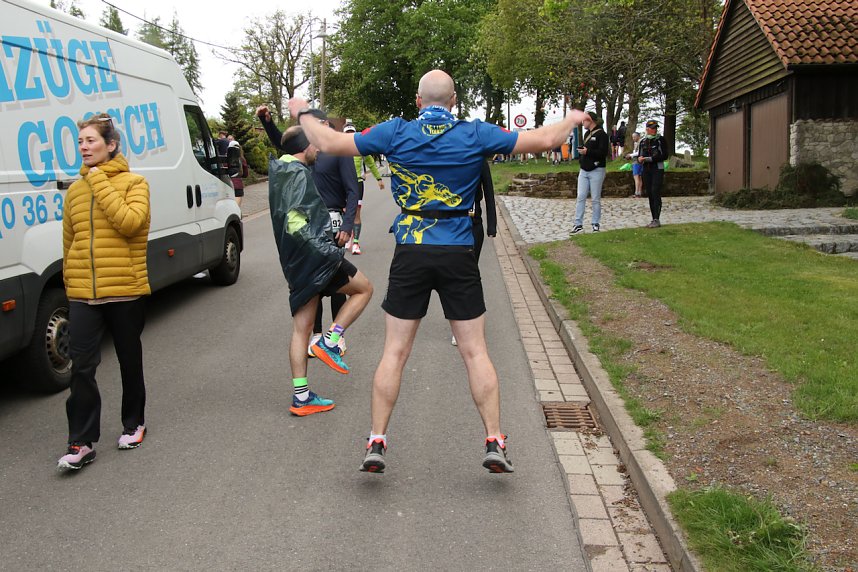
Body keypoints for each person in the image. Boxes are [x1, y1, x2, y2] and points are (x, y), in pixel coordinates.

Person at [289, 69, 588, 474]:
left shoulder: (394, 132)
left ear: (417, 101)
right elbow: (548, 140)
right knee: (475, 351)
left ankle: (376, 441)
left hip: (411, 249)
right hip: (458, 250)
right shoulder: (475, 133)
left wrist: (304, 111)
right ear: (454, 101)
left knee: (394, 352)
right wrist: (571, 118)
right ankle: (495, 441)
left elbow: (326, 141)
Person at [57, 114, 151, 470]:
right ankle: (80, 442)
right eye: (80, 142)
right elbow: (70, 241)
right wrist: (70, 281)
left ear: (111, 145)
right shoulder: (75, 191)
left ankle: (134, 423)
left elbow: (130, 224)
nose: (84, 147)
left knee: (129, 360)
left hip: (124, 291)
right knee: (81, 367)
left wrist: (99, 182)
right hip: (84, 294)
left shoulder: (134, 183)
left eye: (91, 141)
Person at [268, 125, 373, 415]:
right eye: (314, 145)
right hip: (315, 258)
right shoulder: (297, 174)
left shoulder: (280, 171)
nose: (318, 149)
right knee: (364, 289)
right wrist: (324, 251)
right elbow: (293, 221)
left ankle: (301, 397)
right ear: (305, 146)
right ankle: (330, 340)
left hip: (295, 263)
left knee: (301, 328)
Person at [256, 105, 360, 357]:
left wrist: (348, 225)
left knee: (336, 279)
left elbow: (353, 189)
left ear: (324, 125)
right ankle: (315, 335)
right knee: (313, 283)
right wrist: (268, 123)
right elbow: (287, 144)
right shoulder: (306, 153)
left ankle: (335, 337)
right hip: (307, 221)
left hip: (332, 220)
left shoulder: (338, 150)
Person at [451, 159, 496, 347]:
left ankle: (471, 321)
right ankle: (457, 325)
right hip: (452, 225)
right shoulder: (451, 158)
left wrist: (491, 224)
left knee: (470, 275)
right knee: (454, 276)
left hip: (474, 223)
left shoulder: (479, 160)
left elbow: (489, 192)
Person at [343, 122, 385, 255]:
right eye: (347, 134)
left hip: (357, 183)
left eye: (352, 133)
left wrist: (379, 179)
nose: (349, 136)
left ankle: (355, 242)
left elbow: (371, 163)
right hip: (343, 185)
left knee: (356, 213)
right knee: (344, 212)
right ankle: (347, 236)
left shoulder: (360, 148)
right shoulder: (338, 149)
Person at [570, 111, 609, 234]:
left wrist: (588, 152)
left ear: (590, 120)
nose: (583, 123)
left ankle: (595, 223)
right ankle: (578, 224)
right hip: (584, 169)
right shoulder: (587, 134)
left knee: (595, 198)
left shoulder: (602, 134)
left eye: (584, 120)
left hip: (597, 169)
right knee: (580, 196)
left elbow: (603, 153)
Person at [638, 119, 668, 228]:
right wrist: (640, 159)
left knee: (655, 191)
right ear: (647, 129)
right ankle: (653, 218)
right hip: (646, 170)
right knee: (650, 193)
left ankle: (657, 219)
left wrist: (649, 158)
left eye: (655, 128)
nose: (654, 130)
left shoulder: (661, 140)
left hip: (657, 169)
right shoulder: (643, 141)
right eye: (652, 128)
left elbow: (664, 155)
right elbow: (639, 156)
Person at [227, 140, 249, 208]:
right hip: (238, 184)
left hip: (227, 184)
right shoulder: (242, 159)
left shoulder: (225, 158)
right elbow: (245, 174)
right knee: (237, 203)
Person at [626, 131, 644, 198]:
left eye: (634, 137)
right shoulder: (636, 143)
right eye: (633, 137)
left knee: (636, 177)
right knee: (639, 177)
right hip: (638, 161)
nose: (633, 138)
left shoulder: (640, 143)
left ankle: (637, 192)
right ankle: (639, 192)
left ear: (638, 136)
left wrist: (630, 155)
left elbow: (638, 153)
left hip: (637, 161)